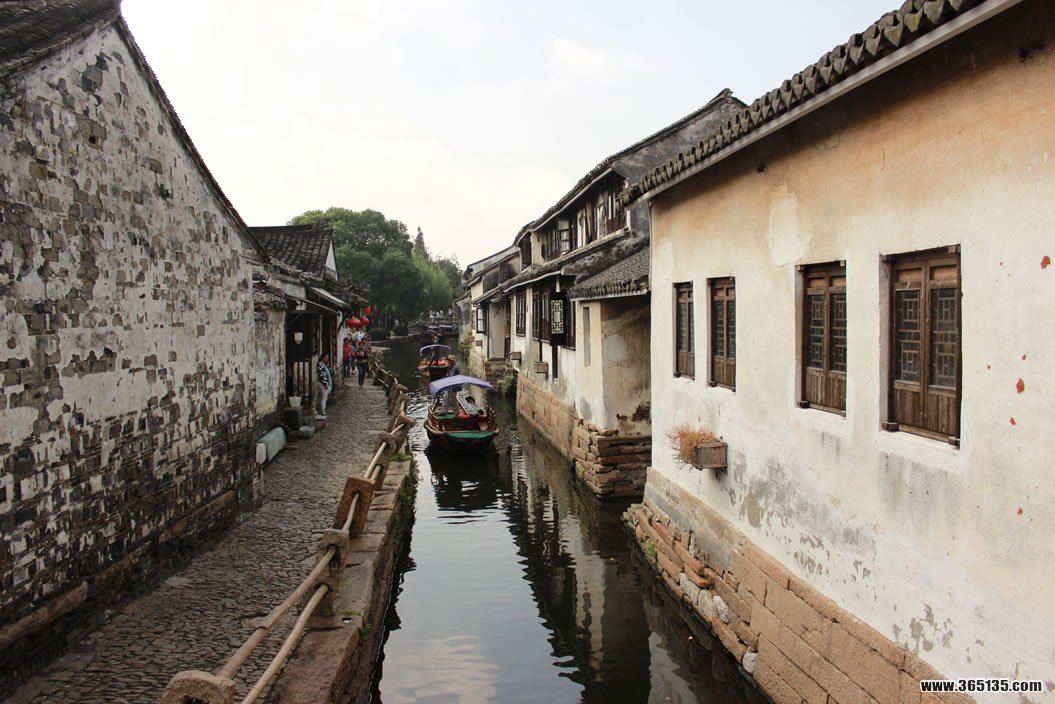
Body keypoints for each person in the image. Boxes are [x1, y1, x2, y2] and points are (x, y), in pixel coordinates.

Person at [316, 353, 332, 418]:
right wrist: (325, 384)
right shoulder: (320, 365)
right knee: (324, 398)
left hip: (322, 383)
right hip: (322, 383)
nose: (327, 359)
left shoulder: (324, 365)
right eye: (326, 358)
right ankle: (323, 411)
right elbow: (322, 375)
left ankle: (321, 410)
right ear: (323, 358)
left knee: (321, 398)